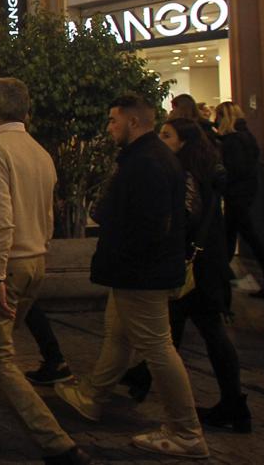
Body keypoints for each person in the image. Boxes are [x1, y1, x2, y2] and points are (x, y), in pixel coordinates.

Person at [54, 93, 207, 459]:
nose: (109, 128)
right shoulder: (149, 158)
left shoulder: (147, 162)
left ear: (133, 122)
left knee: (157, 347)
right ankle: (92, 396)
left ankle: (185, 430)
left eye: (113, 121)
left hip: (141, 274)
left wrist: (125, 258)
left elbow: (149, 226)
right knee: (118, 334)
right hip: (135, 271)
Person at [0, 78, 87, 463]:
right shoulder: (38, 152)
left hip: (2, 265)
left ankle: (57, 443)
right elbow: (47, 214)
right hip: (32, 262)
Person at [144, 118, 248, 432]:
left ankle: (183, 412)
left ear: (184, 142)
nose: (161, 140)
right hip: (208, 262)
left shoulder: (184, 172)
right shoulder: (205, 168)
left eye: (167, 135)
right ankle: (233, 405)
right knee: (199, 331)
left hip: (193, 265)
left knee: (175, 335)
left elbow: (186, 217)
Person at [214, 101, 264, 298]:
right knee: (232, 238)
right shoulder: (246, 136)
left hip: (237, 197)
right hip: (245, 195)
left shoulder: (233, 141)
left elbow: (235, 170)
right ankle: (222, 279)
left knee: (246, 238)